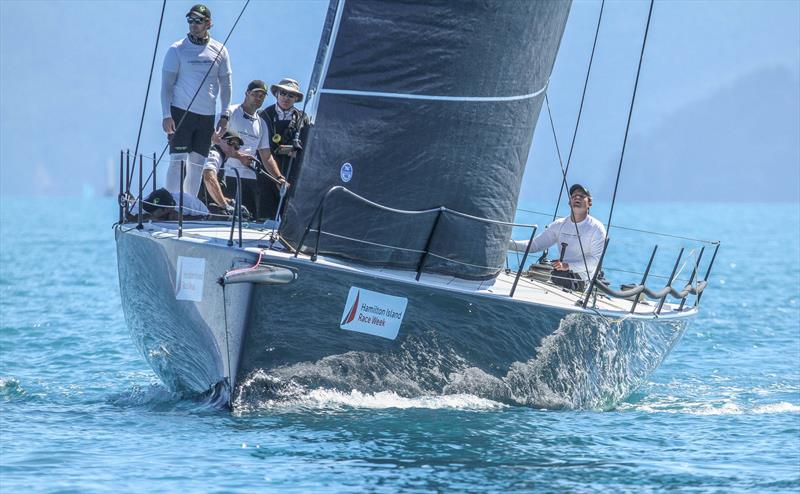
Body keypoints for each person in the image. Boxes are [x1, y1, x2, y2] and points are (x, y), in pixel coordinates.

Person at [161, 4, 232, 198]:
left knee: (197, 163)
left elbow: (226, 85)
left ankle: (190, 206)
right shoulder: (177, 50)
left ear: (208, 23)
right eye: (190, 20)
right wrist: (166, 115)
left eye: (198, 20)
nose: (193, 24)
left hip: (206, 116)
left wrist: (224, 115)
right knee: (177, 160)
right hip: (181, 112)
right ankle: (171, 204)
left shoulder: (220, 50)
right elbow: (166, 86)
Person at [202, 80, 286, 218]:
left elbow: (266, 156)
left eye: (262, 96)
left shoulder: (262, 123)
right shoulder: (230, 112)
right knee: (227, 217)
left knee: (249, 219)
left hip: (250, 179)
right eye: (255, 94)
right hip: (228, 174)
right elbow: (214, 139)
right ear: (247, 93)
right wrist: (239, 156)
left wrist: (278, 178)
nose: (258, 98)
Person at [510, 184, 607, 291]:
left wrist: (567, 266)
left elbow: (594, 261)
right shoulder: (559, 224)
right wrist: (507, 244)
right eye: (574, 196)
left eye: (581, 196)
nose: (577, 198)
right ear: (570, 202)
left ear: (590, 203)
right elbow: (534, 245)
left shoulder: (596, 228)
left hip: (581, 280)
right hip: (559, 273)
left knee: (557, 277)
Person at [258, 78, 310, 221]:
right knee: (265, 218)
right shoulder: (264, 115)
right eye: (283, 93)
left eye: (291, 95)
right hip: (267, 173)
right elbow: (262, 149)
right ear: (277, 94)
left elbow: (306, 148)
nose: (286, 98)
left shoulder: (302, 118)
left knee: (290, 220)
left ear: (296, 98)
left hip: (291, 175)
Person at [130, 188, 209, 221]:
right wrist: (149, 217)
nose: (150, 211)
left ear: (167, 209)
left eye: (154, 210)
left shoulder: (188, 201)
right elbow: (128, 216)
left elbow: (208, 217)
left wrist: (183, 218)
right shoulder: (144, 204)